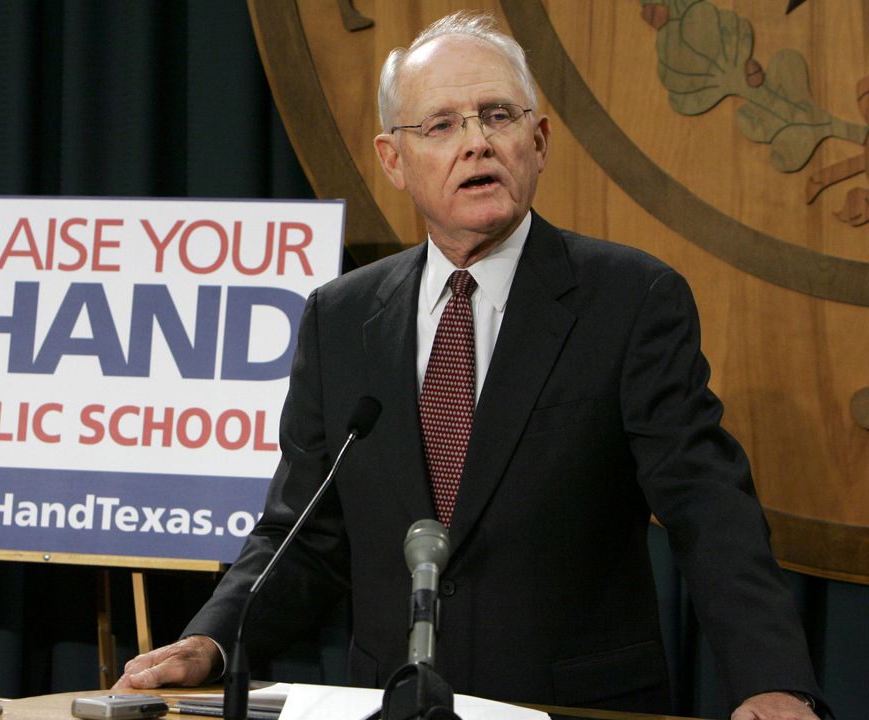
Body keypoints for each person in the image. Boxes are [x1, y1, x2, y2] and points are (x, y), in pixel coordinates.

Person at [114, 11, 827, 720]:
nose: (477, 143)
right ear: (393, 159)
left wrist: (775, 681)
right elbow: (303, 530)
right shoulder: (341, 318)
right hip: (387, 704)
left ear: (539, 140)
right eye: (443, 125)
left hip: (572, 705)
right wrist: (213, 637)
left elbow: (708, 506)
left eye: (497, 116)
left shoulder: (630, 299)